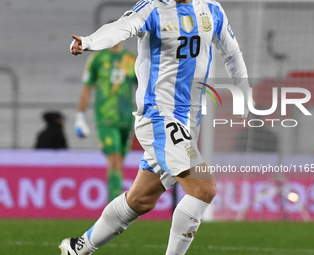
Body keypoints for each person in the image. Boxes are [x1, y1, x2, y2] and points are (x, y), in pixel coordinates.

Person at [60, 0, 251, 254]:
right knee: (204, 188)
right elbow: (121, 27)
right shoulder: (152, 9)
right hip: (159, 117)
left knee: (140, 200)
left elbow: (232, 52)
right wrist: (89, 42)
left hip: (188, 123)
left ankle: (78, 248)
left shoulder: (212, 9)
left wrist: (244, 92)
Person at [75, 36, 137, 201]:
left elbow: (143, 86)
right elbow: (87, 87)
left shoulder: (131, 59)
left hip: (126, 118)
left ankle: (116, 200)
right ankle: (115, 202)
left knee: (120, 160)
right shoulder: (97, 59)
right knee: (114, 157)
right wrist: (80, 116)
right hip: (106, 118)